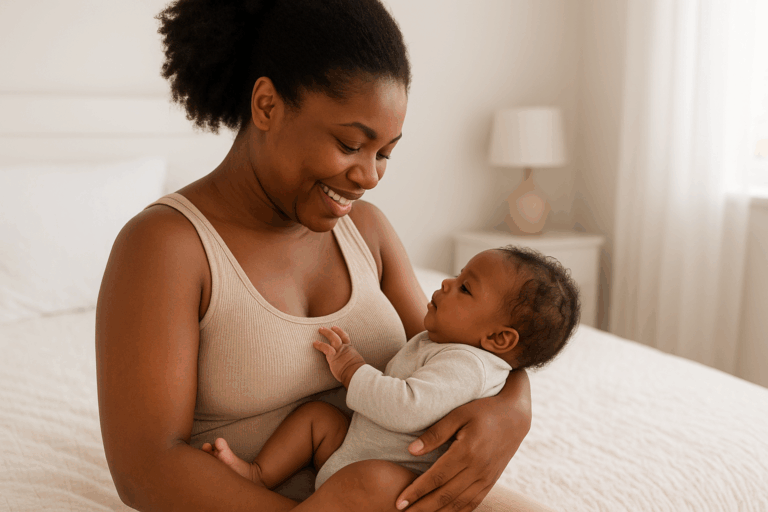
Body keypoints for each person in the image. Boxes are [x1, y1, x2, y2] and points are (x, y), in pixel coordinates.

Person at [95, 0, 555, 510]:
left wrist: (514, 407)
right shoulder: (166, 245)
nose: (370, 176)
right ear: (267, 105)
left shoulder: (367, 231)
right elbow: (145, 469)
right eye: (350, 144)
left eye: (384, 153)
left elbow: (460, 343)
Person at [201, 246, 580, 510]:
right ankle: (257, 473)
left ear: (498, 339)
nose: (447, 283)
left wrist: (352, 369)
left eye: (465, 287)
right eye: (457, 274)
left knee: (372, 480)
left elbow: (407, 409)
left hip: (393, 484)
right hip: (353, 451)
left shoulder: (468, 365)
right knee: (318, 418)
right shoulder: (450, 342)